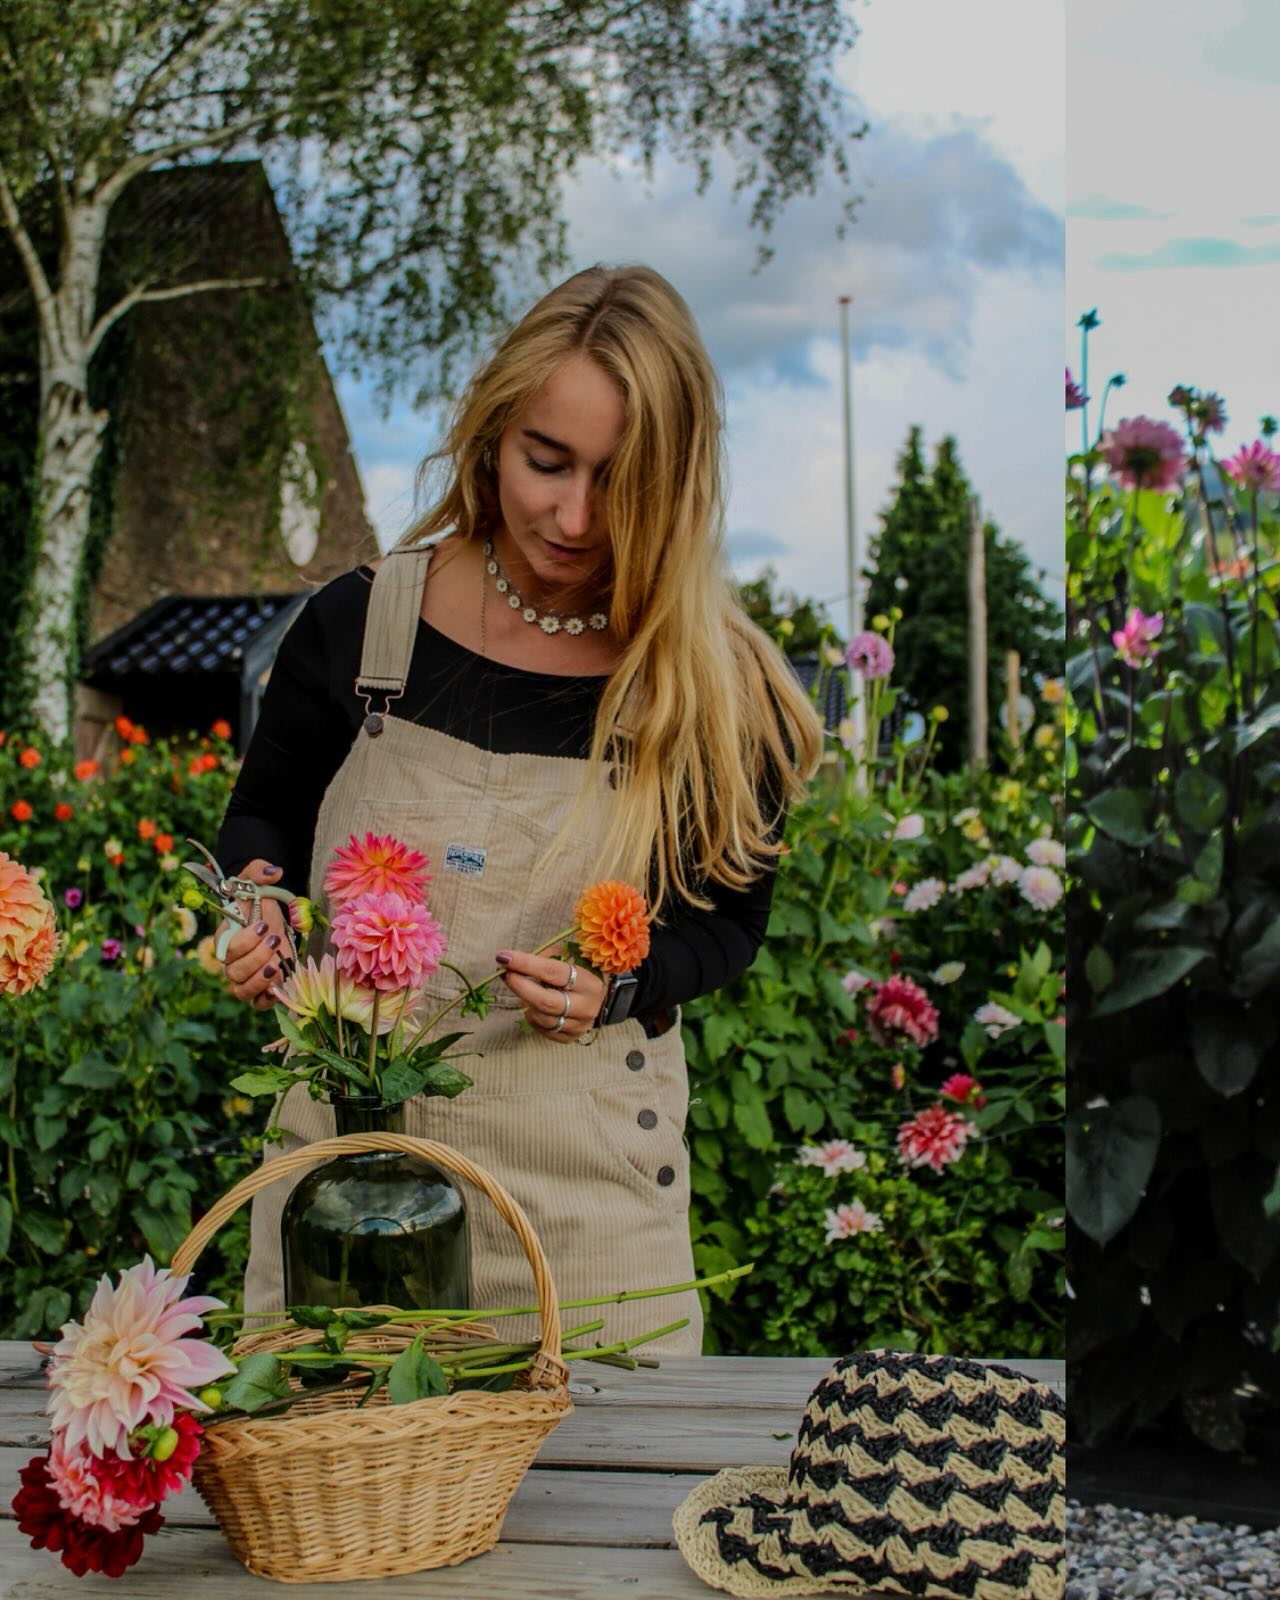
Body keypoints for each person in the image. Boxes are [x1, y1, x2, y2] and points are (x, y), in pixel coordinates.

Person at [215, 263, 824, 1354]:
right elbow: (264, 820)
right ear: (492, 432)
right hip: (350, 1200)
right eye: (546, 461)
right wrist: (253, 907)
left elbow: (730, 925)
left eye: (619, 481)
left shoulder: (705, 685)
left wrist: (620, 985)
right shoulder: (360, 627)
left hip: (589, 1215)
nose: (573, 515)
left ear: (675, 484)